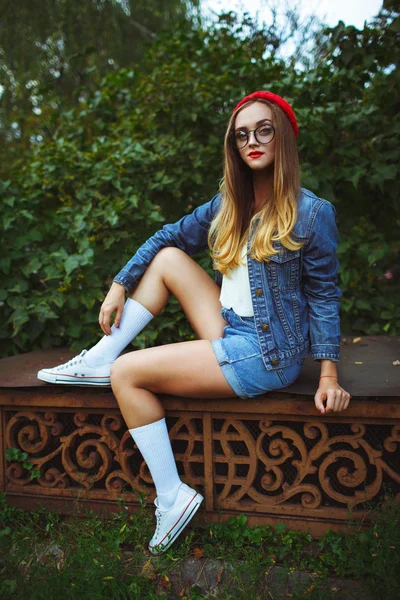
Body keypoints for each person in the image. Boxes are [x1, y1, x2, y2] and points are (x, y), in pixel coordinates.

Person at [37, 90, 351, 554]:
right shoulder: (229, 202)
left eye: (264, 130)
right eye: (242, 134)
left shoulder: (311, 212)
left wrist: (328, 374)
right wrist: (120, 283)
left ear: (282, 137)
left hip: (269, 352)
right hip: (230, 326)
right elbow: (169, 234)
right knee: (167, 258)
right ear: (234, 146)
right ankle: (99, 357)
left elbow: (325, 296)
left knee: (129, 375)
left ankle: (172, 496)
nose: (253, 141)